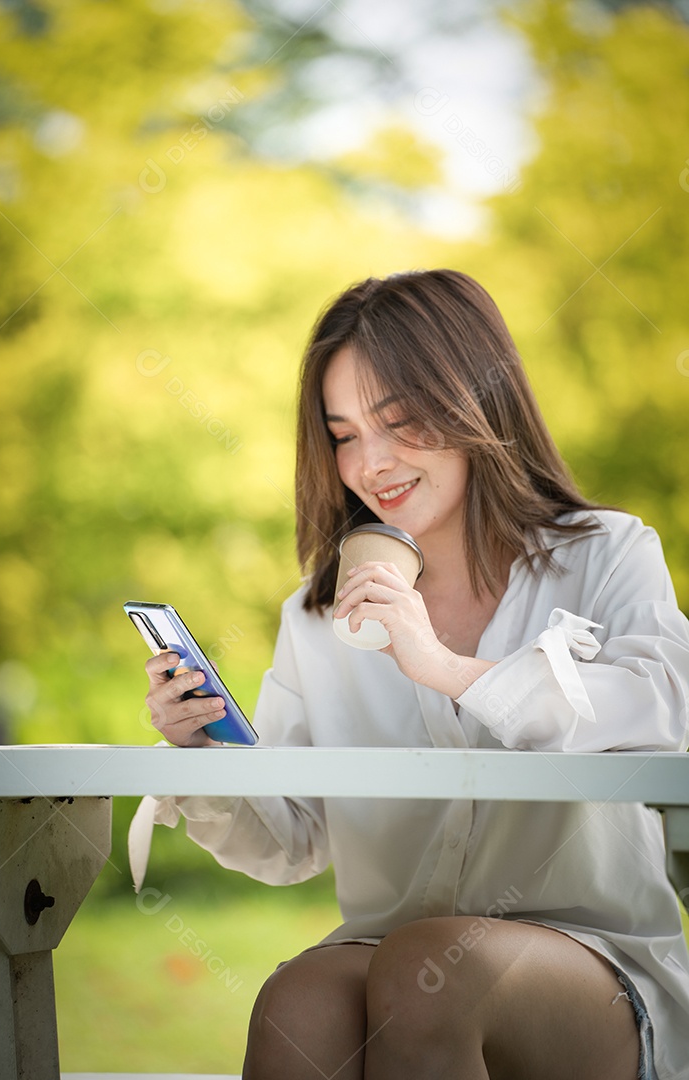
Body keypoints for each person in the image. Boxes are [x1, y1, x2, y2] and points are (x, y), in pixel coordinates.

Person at [136, 270, 689, 1080]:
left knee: (429, 973)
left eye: (399, 423)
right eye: (344, 435)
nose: (371, 464)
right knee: (298, 997)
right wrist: (204, 754)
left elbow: (666, 711)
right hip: (386, 957)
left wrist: (452, 670)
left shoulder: (606, 554)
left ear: (478, 404)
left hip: (595, 965)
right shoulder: (318, 614)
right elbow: (292, 840)